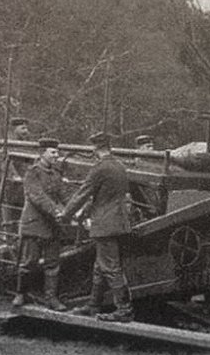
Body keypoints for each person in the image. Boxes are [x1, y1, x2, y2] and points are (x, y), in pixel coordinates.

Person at [61, 132, 136, 321]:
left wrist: (66, 214)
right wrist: (84, 212)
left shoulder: (99, 169)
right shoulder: (119, 166)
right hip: (119, 222)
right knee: (99, 267)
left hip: (105, 225)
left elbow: (83, 193)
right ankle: (93, 305)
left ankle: (124, 309)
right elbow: (103, 196)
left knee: (110, 267)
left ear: (95, 149)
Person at [13, 137, 68, 311]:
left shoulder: (56, 175)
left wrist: (76, 211)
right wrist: (57, 211)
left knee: (53, 264)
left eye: (57, 152)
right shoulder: (32, 173)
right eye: (53, 152)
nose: (56, 155)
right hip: (34, 225)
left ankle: (51, 298)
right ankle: (21, 293)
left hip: (51, 227)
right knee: (29, 262)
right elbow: (37, 197)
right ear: (42, 153)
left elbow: (64, 196)